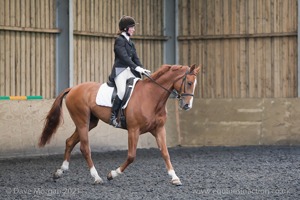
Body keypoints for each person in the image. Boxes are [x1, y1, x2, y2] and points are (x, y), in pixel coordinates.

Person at [108, 16, 151, 128]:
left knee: (141, 88)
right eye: (132, 27)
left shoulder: (131, 43)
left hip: (130, 71)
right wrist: (136, 68)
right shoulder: (119, 40)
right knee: (122, 91)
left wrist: (142, 69)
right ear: (126, 28)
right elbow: (124, 58)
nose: (134, 29)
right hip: (121, 71)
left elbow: (135, 58)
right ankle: (113, 116)